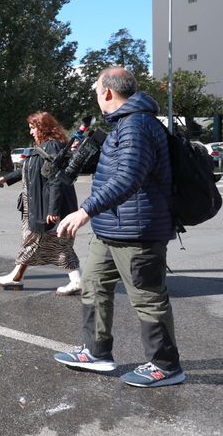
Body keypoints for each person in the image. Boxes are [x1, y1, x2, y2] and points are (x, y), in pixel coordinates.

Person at [53, 67, 184, 388]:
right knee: (94, 284)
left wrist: (84, 210)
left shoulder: (138, 126)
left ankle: (166, 365)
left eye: (97, 90)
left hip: (139, 231)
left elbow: (128, 177)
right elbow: (115, 171)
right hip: (112, 228)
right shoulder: (124, 125)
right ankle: (96, 352)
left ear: (108, 93)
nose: (97, 96)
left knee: (148, 297)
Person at [0, 112, 81, 295]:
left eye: (33, 127)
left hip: (48, 207)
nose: (31, 132)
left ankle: (76, 281)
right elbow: (27, 170)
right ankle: (16, 277)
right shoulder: (44, 147)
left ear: (43, 127)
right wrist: (4, 179)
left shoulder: (52, 146)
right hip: (38, 205)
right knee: (36, 242)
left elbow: (56, 178)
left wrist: (53, 209)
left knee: (47, 243)